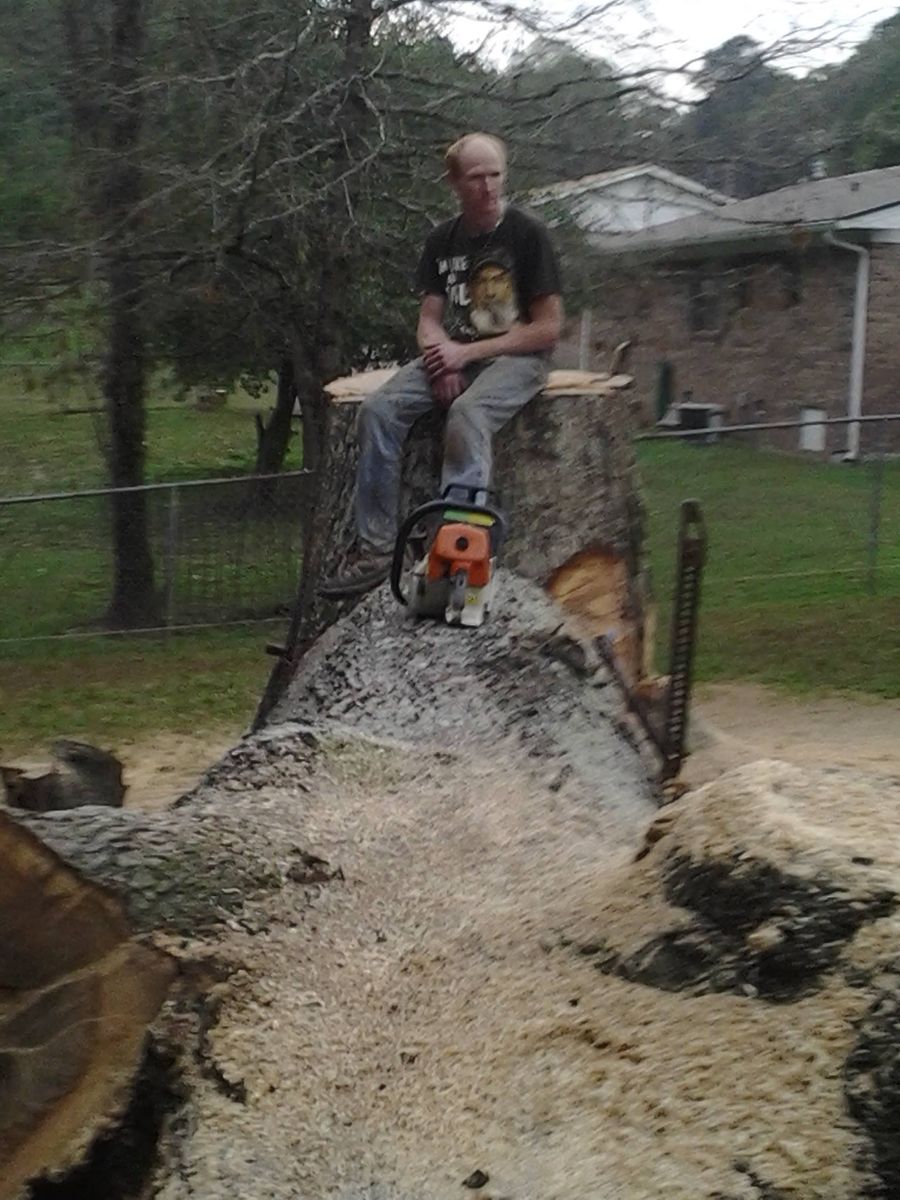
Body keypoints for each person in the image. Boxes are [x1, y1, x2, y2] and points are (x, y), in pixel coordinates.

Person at [319, 132, 563, 598]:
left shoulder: (527, 234)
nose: (488, 187)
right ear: (453, 182)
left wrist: (464, 354)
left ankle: (457, 554)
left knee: (468, 414)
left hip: (518, 358)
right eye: (476, 178)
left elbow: (549, 328)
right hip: (458, 354)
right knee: (378, 410)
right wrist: (440, 359)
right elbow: (429, 322)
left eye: (495, 175)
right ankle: (376, 550)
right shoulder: (441, 240)